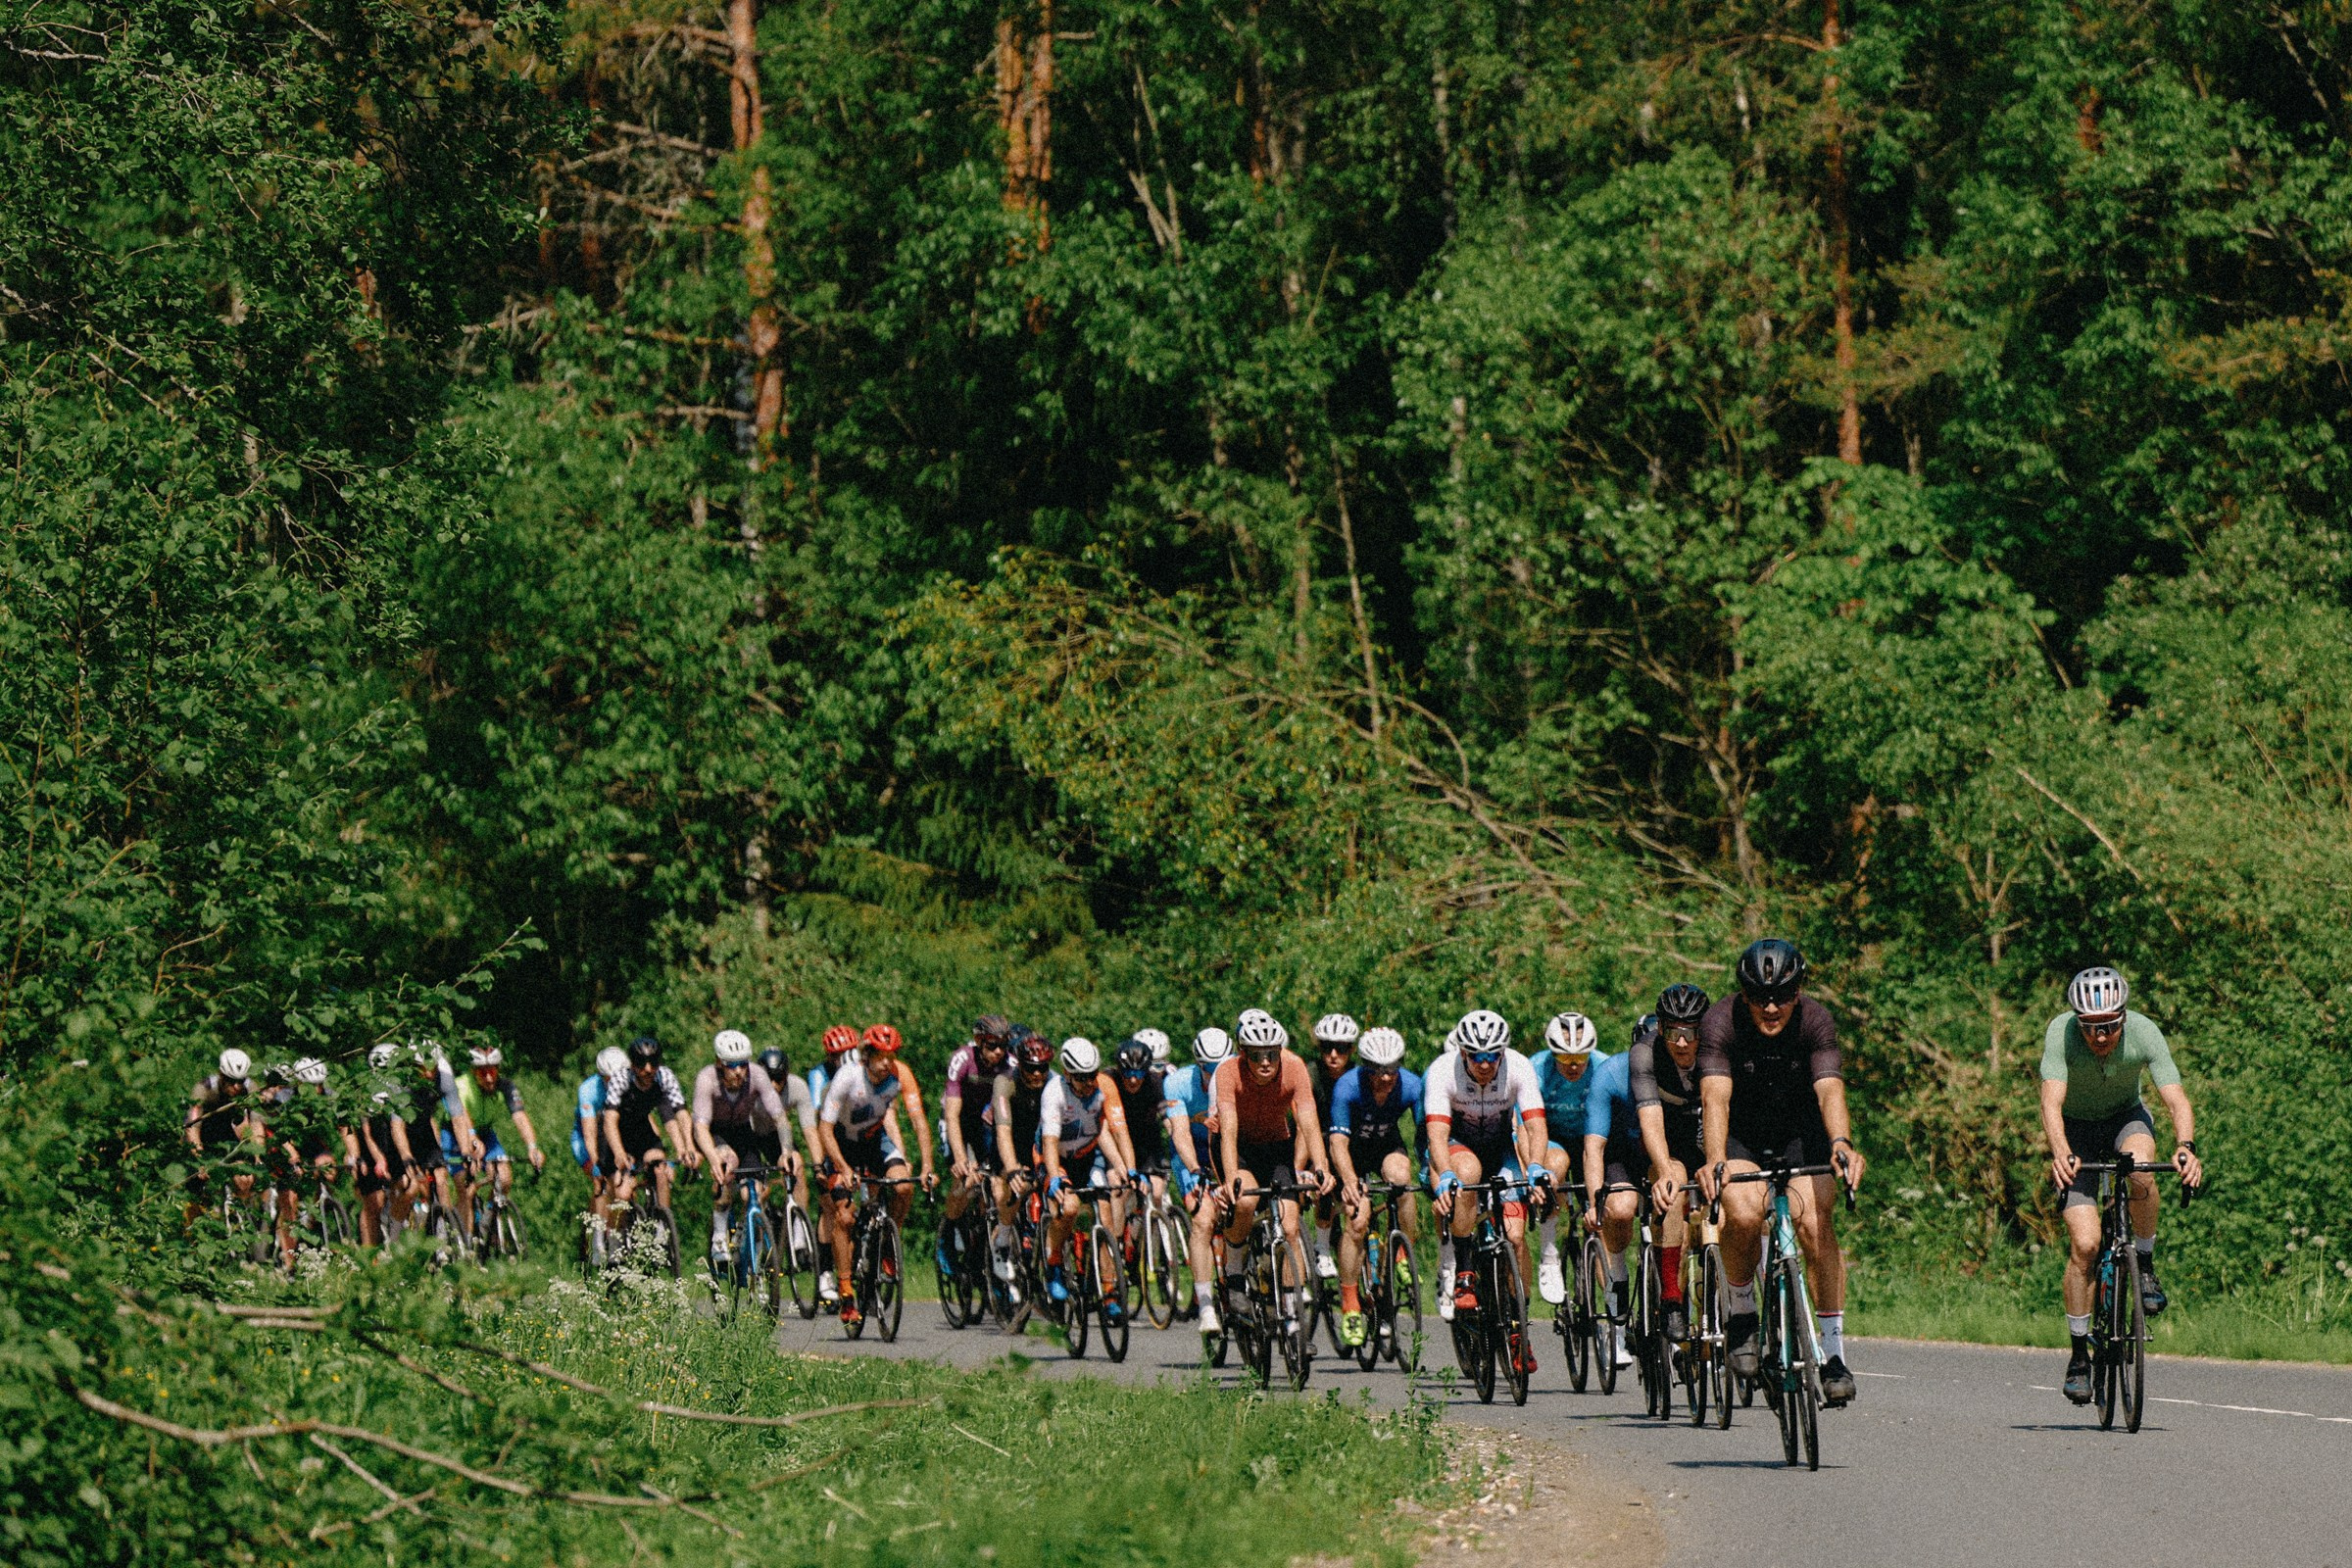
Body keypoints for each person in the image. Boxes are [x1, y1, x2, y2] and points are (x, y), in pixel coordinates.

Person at [1695, 938, 1864, 1407]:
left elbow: (1830, 1092)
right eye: (1758, 997)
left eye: (1783, 996)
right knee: (1744, 1214)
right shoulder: (1720, 1022)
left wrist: (1841, 1145)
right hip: (1741, 1134)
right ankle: (1744, 1313)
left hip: (1802, 1133)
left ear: (1799, 992)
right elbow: (1715, 1098)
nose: (1771, 1008)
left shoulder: (1815, 1020)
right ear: (1743, 994)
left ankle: (1832, 1355)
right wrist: (1714, 1160)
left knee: (1815, 1225)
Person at [2039, 965, 2203, 1404]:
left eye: (2109, 1026)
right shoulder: (2061, 1033)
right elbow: (2050, 1102)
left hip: (2125, 1119)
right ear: (2078, 1021)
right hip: (2074, 1130)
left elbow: (2175, 1098)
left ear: (2124, 1018)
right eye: (2090, 1027)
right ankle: (2078, 1355)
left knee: (2141, 1170)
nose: (2100, 1036)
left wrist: (2186, 1147)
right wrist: (2060, 1151)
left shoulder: (2146, 1032)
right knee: (2087, 1246)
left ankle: (2144, 1265)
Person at [1425, 1009, 1548, 1364]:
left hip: (1501, 1149)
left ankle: (1518, 1324)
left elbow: (1535, 1126)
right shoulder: (1442, 1071)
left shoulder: (1520, 1067)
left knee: (1515, 1234)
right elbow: (1436, 1133)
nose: (1485, 1064)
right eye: (1477, 1056)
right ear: (1463, 1053)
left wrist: (1537, 1166)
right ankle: (1464, 1272)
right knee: (1466, 1172)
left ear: (1503, 1053)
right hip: (1460, 1147)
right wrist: (1444, 1173)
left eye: (1493, 1056)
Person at [1213, 1009, 1332, 1337]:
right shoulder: (1227, 1073)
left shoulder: (1294, 1068)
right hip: (1240, 1148)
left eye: (1271, 1054)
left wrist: (1320, 1167)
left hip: (1276, 1146)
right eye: (1256, 1056)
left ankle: (1293, 1311)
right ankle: (1234, 1271)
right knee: (1247, 1201)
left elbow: (1308, 1121)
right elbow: (1229, 1128)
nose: (1265, 1062)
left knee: (1290, 1226)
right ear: (1243, 1054)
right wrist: (1231, 1176)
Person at [815, 1024, 938, 1331]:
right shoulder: (847, 1078)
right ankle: (845, 1290)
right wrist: (842, 1168)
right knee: (844, 1216)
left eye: (892, 1055)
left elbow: (919, 1121)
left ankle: (886, 1244)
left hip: (874, 1139)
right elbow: (825, 1130)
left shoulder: (901, 1075)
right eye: (881, 1056)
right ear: (866, 1055)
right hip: (842, 1143)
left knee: (903, 1185)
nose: (887, 1062)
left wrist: (926, 1166)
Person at [1328, 1025, 1424, 1348]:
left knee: (1402, 1177)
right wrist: (1350, 1181)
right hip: (1351, 1154)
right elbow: (1338, 1143)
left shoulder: (1411, 1085)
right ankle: (1351, 1303)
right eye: (1377, 1071)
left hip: (1385, 1148)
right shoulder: (1347, 1087)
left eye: (1392, 1069)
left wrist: (1432, 1170)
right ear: (1365, 1066)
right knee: (1357, 1219)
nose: (1385, 1078)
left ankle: (1401, 1253)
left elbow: (1426, 1134)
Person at [1630, 984, 1711, 1344]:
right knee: (1674, 1186)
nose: (1681, 1042)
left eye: (1690, 1032)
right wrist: (1663, 1170)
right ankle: (1672, 1301)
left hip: (1710, 1138)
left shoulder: (1719, 1050)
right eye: (1672, 1032)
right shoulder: (1644, 1054)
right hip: (1668, 1144)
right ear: (1659, 1029)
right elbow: (1649, 1118)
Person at [1039, 1037, 1137, 1314]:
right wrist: (1054, 1178)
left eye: (1092, 1075)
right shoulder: (1053, 1092)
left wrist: (1127, 1168)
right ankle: (1054, 1262)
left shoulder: (1105, 1087)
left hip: (1088, 1154)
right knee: (1068, 1208)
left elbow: (1117, 1131)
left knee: (1105, 1217)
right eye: (1081, 1078)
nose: (1088, 1083)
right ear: (1067, 1074)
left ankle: (1109, 1292)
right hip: (1056, 1156)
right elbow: (1048, 1142)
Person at [691, 1029, 794, 1267]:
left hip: (741, 1131)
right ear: (719, 1063)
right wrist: (713, 1159)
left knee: (754, 1192)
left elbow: (779, 1117)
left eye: (742, 1064)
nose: (738, 1071)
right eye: (731, 1065)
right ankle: (719, 1233)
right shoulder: (707, 1079)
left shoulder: (757, 1075)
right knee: (727, 1166)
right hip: (713, 1132)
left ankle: (751, 1244)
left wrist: (786, 1149)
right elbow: (700, 1127)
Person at [1532, 1010, 1606, 1304]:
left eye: (1580, 1057)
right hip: (1552, 1139)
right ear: (1553, 1055)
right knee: (1557, 1164)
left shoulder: (1602, 1066)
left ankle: (1612, 1313)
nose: (1573, 1065)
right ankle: (1549, 1252)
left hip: (1590, 1138)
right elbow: (1524, 1126)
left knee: (1600, 1222)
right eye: (1564, 1059)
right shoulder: (1537, 1068)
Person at [1165, 1026, 1232, 1333]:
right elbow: (1180, 1133)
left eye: (1223, 1066)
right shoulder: (1177, 1083)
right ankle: (1206, 1305)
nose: (1216, 1075)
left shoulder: (1238, 1077)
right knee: (1204, 1220)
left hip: (1227, 1154)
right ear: (1198, 1064)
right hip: (1193, 1157)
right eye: (1208, 1069)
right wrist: (1194, 1170)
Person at [941, 1015, 1015, 1275]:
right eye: (992, 1045)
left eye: (1003, 1045)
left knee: (997, 1187)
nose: (998, 1052)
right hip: (957, 1120)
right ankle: (948, 1232)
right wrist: (961, 1158)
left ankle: (986, 1246)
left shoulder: (1010, 1065)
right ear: (979, 1042)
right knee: (966, 1180)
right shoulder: (962, 1060)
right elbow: (951, 1115)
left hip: (986, 1124)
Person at [451, 1046, 544, 1246]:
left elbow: (519, 1117)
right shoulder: (462, 1085)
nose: (489, 1077)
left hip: (485, 1132)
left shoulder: (506, 1086)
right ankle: (463, 1244)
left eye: (492, 1070)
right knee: (464, 1187)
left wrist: (532, 1147)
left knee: (504, 1178)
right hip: (456, 1131)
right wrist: (471, 1143)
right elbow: (462, 1117)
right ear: (473, 1071)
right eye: (482, 1072)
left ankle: (488, 1223)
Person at [991, 1029, 1057, 1298]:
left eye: (1043, 1068)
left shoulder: (1055, 1083)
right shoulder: (1005, 1083)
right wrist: (1013, 1169)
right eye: (1031, 1069)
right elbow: (1003, 1132)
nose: (1038, 1075)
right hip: (1009, 1140)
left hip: (1040, 1140)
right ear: (1020, 1065)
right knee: (1013, 1189)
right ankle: (1003, 1239)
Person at [602, 1036, 687, 1225]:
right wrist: (618, 1153)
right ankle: (615, 1240)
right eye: (641, 1064)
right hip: (618, 1136)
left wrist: (683, 1148)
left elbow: (674, 1117)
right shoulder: (621, 1080)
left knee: (660, 1170)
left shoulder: (664, 1077)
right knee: (622, 1194)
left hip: (642, 1133)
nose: (648, 1069)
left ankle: (662, 1228)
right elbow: (610, 1121)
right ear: (632, 1065)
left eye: (653, 1063)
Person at [1305, 1013, 1359, 1285]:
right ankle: (1322, 1247)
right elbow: (1305, 1123)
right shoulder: (1311, 1074)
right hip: (1314, 1137)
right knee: (1323, 1182)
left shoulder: (1358, 1075)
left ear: (1352, 1050)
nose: (1334, 1055)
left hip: (1347, 1140)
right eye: (1327, 1047)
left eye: (1342, 1048)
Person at [185, 1048, 262, 1226]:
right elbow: (192, 1128)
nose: (236, 1087)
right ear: (221, 1074)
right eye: (231, 1081)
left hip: (227, 1136)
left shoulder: (250, 1088)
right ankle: (193, 1234)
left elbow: (256, 1124)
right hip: (203, 1137)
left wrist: (257, 1156)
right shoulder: (203, 1089)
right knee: (195, 1187)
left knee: (246, 1177)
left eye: (240, 1081)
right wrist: (200, 1159)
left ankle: (242, 1225)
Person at [570, 1046, 629, 1263]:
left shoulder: (630, 1085)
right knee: (601, 1182)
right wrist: (595, 1162)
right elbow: (589, 1132)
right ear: (600, 1076)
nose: (612, 1084)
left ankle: (623, 1229)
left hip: (615, 1135)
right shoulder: (589, 1090)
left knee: (625, 1182)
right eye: (607, 1079)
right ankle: (597, 1240)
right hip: (586, 1140)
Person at [755, 1045, 815, 1212]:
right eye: (769, 1079)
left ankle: (800, 1233)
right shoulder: (750, 1088)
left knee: (797, 1167)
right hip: (750, 1134)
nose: (773, 1085)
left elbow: (809, 1130)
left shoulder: (797, 1087)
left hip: (774, 1136)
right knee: (756, 1190)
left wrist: (818, 1166)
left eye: (779, 1079)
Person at [1109, 1037, 1168, 1201]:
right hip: (1117, 1141)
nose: (1133, 1079)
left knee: (1156, 1192)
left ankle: (1152, 1223)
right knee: (1123, 1188)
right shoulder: (1110, 1080)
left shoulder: (1154, 1082)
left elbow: (1167, 1119)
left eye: (1139, 1073)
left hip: (1146, 1141)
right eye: (1128, 1073)